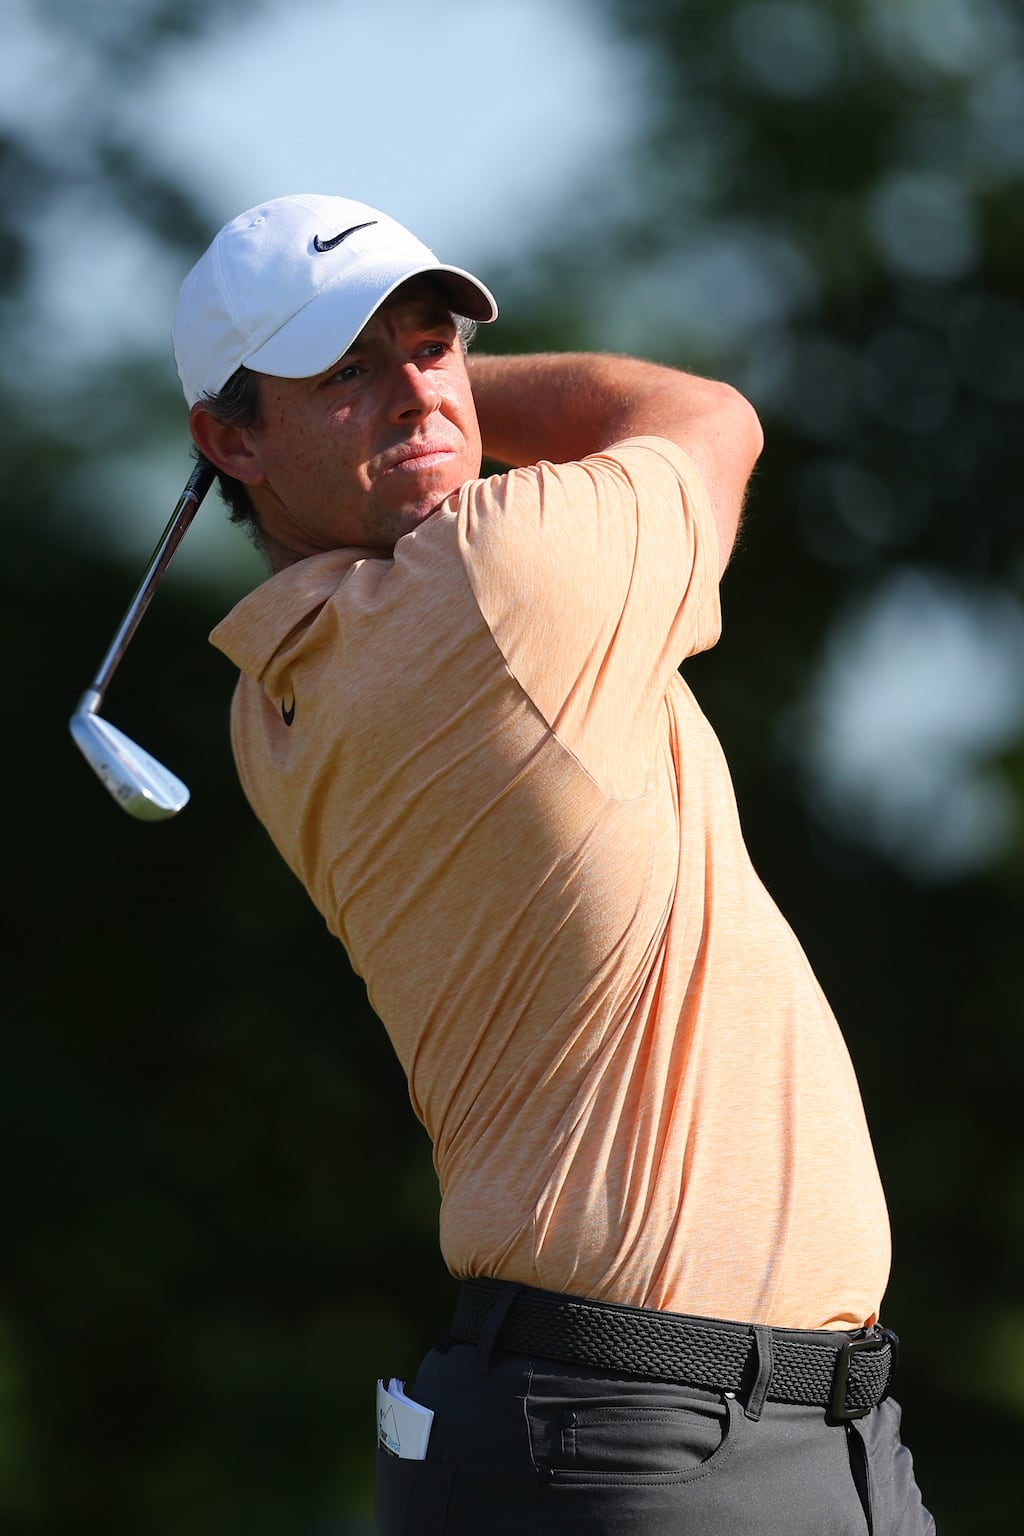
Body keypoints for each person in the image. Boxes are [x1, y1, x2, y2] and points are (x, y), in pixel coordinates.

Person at [173, 193, 934, 1534]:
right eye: (345, 368)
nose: (412, 391)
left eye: (429, 347)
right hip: (648, 1447)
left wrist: (377, 417)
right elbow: (710, 418)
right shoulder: (494, 584)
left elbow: (399, 469)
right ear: (227, 436)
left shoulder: (269, 699)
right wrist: (457, 408)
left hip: (742, 1433)